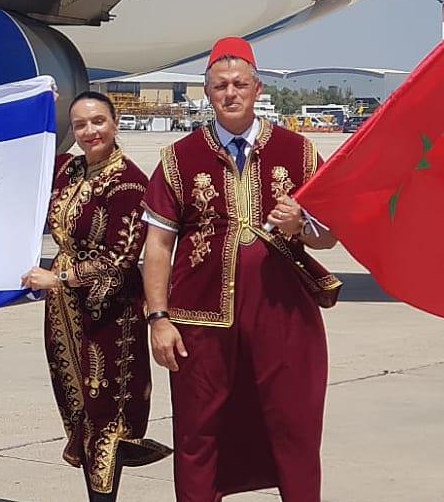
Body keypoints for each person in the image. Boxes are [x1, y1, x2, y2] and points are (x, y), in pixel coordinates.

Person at [141, 38, 343, 502]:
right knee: (197, 432)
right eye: (220, 86)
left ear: (257, 88)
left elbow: (330, 234)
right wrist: (159, 318)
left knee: (295, 427)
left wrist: (300, 225)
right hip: (200, 322)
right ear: (207, 93)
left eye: (239, 84)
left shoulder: (298, 151)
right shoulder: (179, 158)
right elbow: (158, 246)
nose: (230, 93)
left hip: (284, 316)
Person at [24, 92, 171, 500]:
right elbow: (28, 154)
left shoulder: (130, 182)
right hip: (65, 314)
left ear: (115, 122)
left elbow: (119, 260)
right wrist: (38, 106)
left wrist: (58, 278)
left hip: (111, 317)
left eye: (98, 121)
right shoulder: (68, 169)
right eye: (80, 124)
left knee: (107, 416)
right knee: (80, 412)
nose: (90, 131)